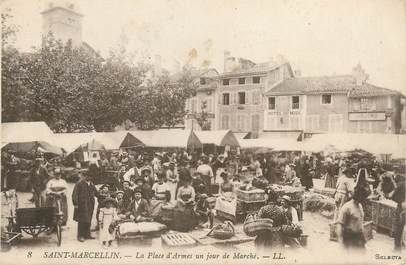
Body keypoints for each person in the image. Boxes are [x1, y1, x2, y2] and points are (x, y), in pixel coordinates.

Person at [336, 186, 369, 250]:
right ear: (359, 196)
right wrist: (341, 242)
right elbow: (339, 224)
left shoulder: (360, 206)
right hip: (349, 237)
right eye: (364, 197)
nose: (365, 199)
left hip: (359, 237)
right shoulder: (347, 207)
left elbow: (360, 221)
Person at [72, 170, 98, 242]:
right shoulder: (79, 183)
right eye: (87, 176)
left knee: (88, 218)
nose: (89, 177)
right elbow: (74, 194)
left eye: (90, 176)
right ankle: (80, 236)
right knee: (82, 220)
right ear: (85, 176)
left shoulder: (91, 184)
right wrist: (75, 204)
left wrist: (103, 196)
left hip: (90, 204)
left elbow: (96, 193)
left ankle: (87, 234)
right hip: (82, 204)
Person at [390, 174, 406, 252]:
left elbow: (393, 197)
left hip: (402, 209)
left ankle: (397, 248)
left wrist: (401, 201)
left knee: (398, 228)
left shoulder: (401, 185)